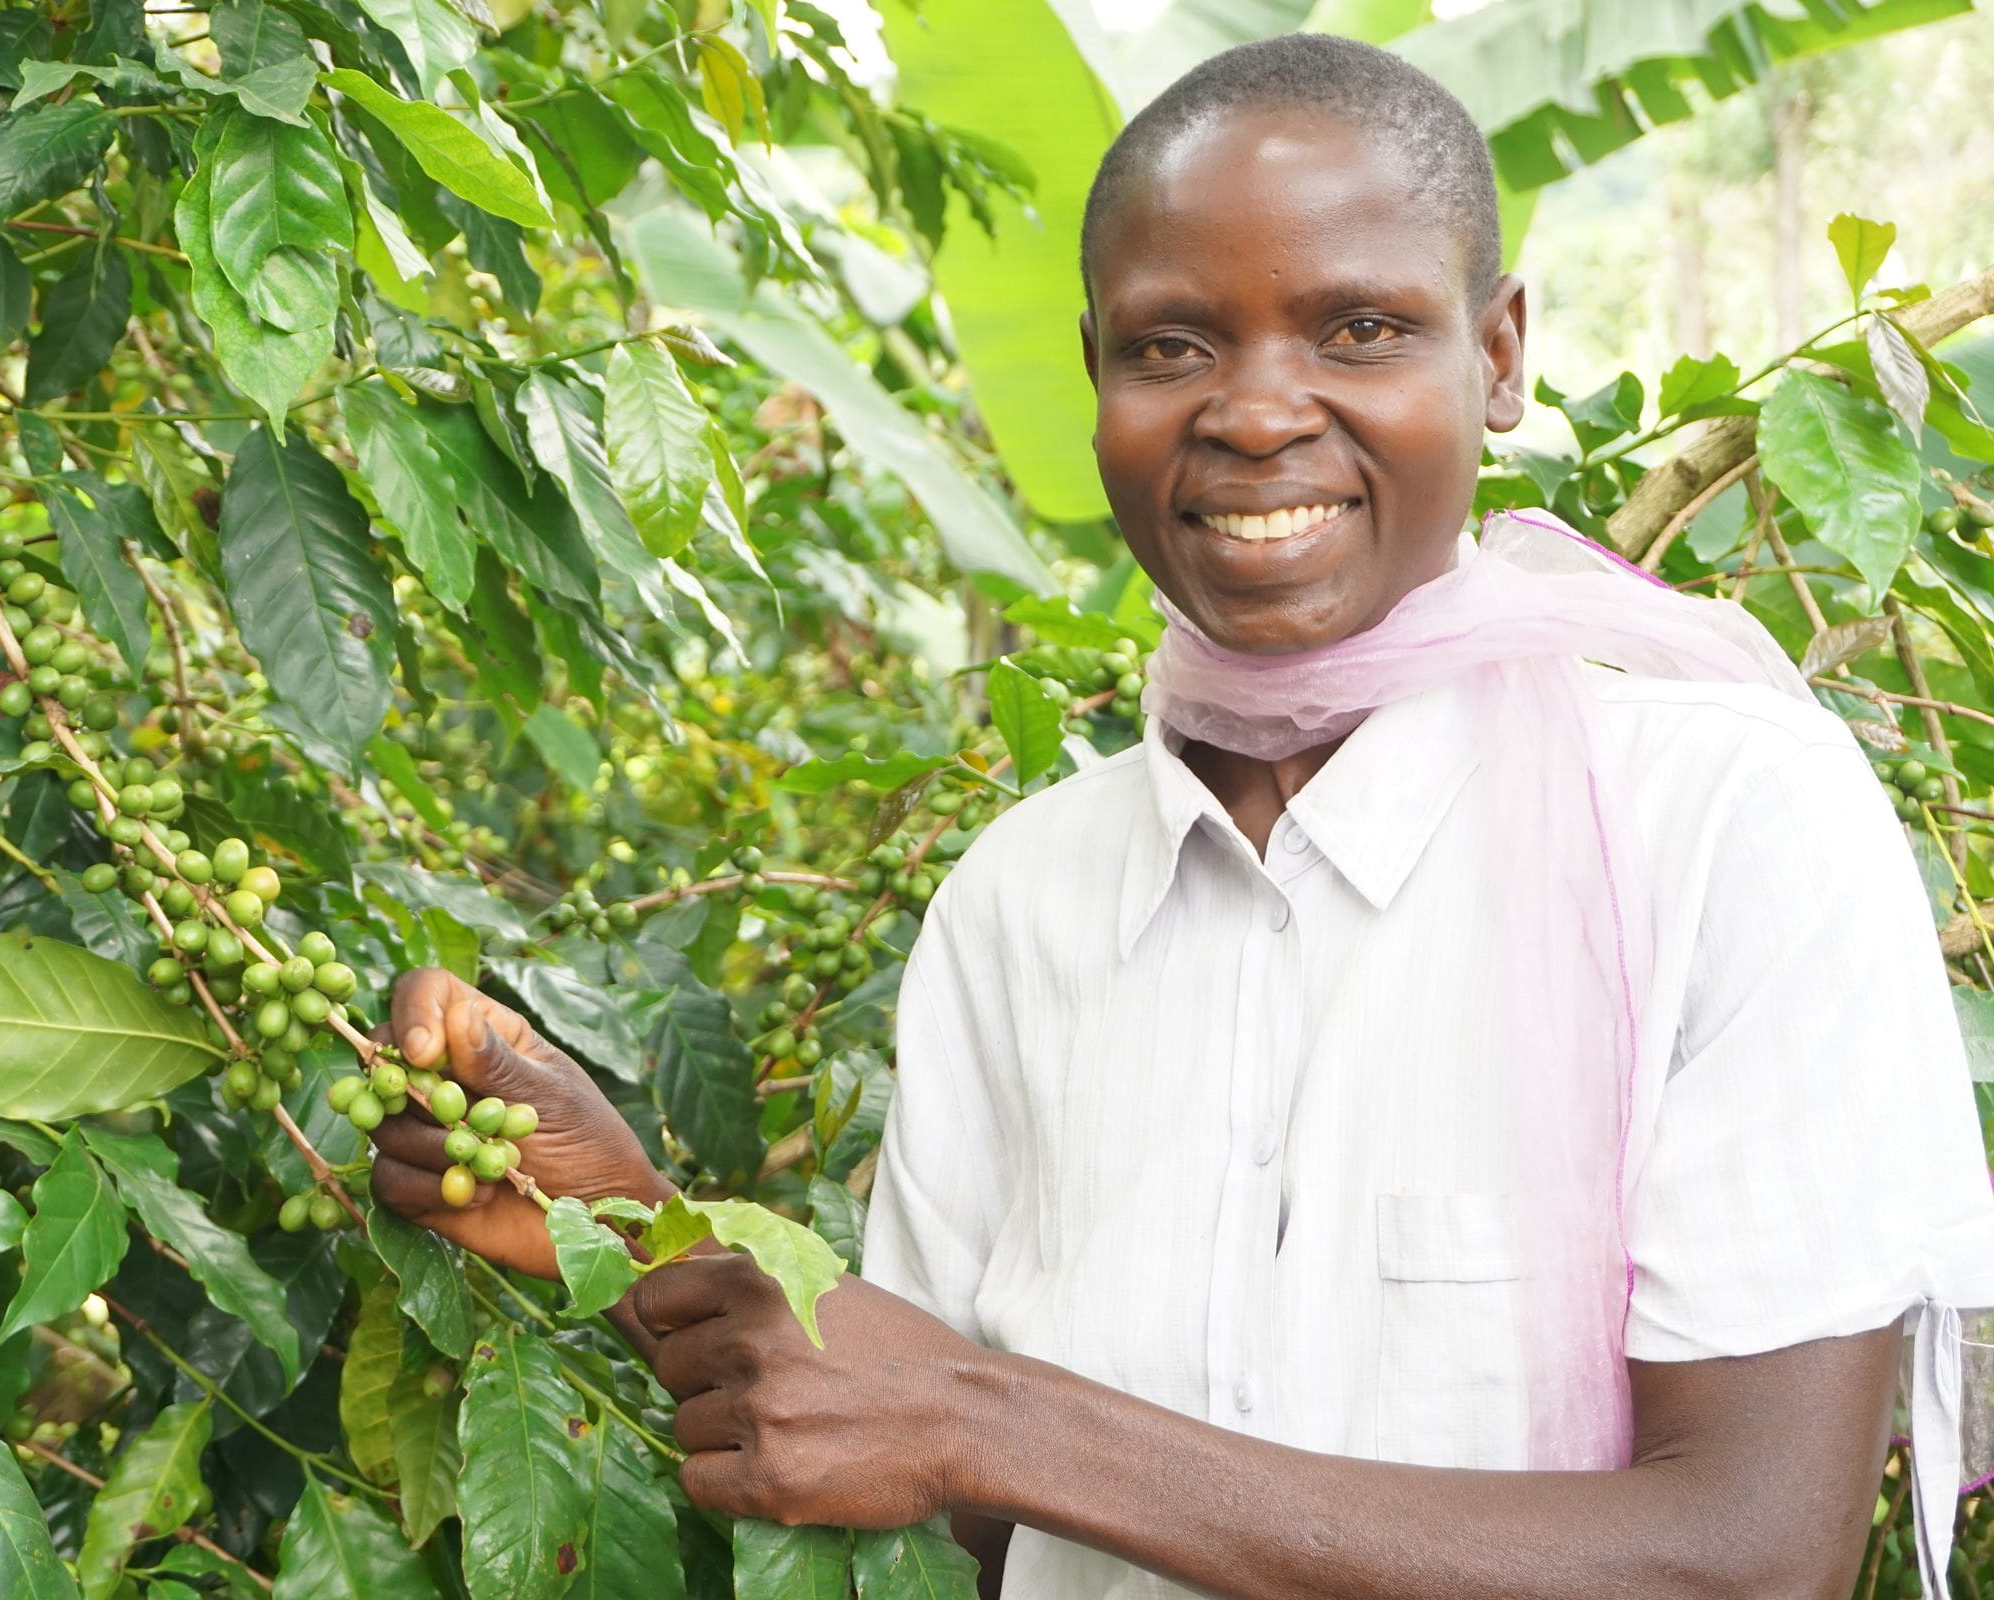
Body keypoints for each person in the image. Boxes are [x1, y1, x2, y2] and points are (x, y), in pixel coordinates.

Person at [370, 34, 1994, 1599]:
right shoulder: (1024, 901)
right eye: (1172, 345)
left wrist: (982, 1423)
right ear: (1096, 376)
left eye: (1359, 330)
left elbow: (1746, 1556)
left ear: (1495, 357)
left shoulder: (1724, 827)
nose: (1257, 412)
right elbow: (947, 1502)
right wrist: (635, 1224)